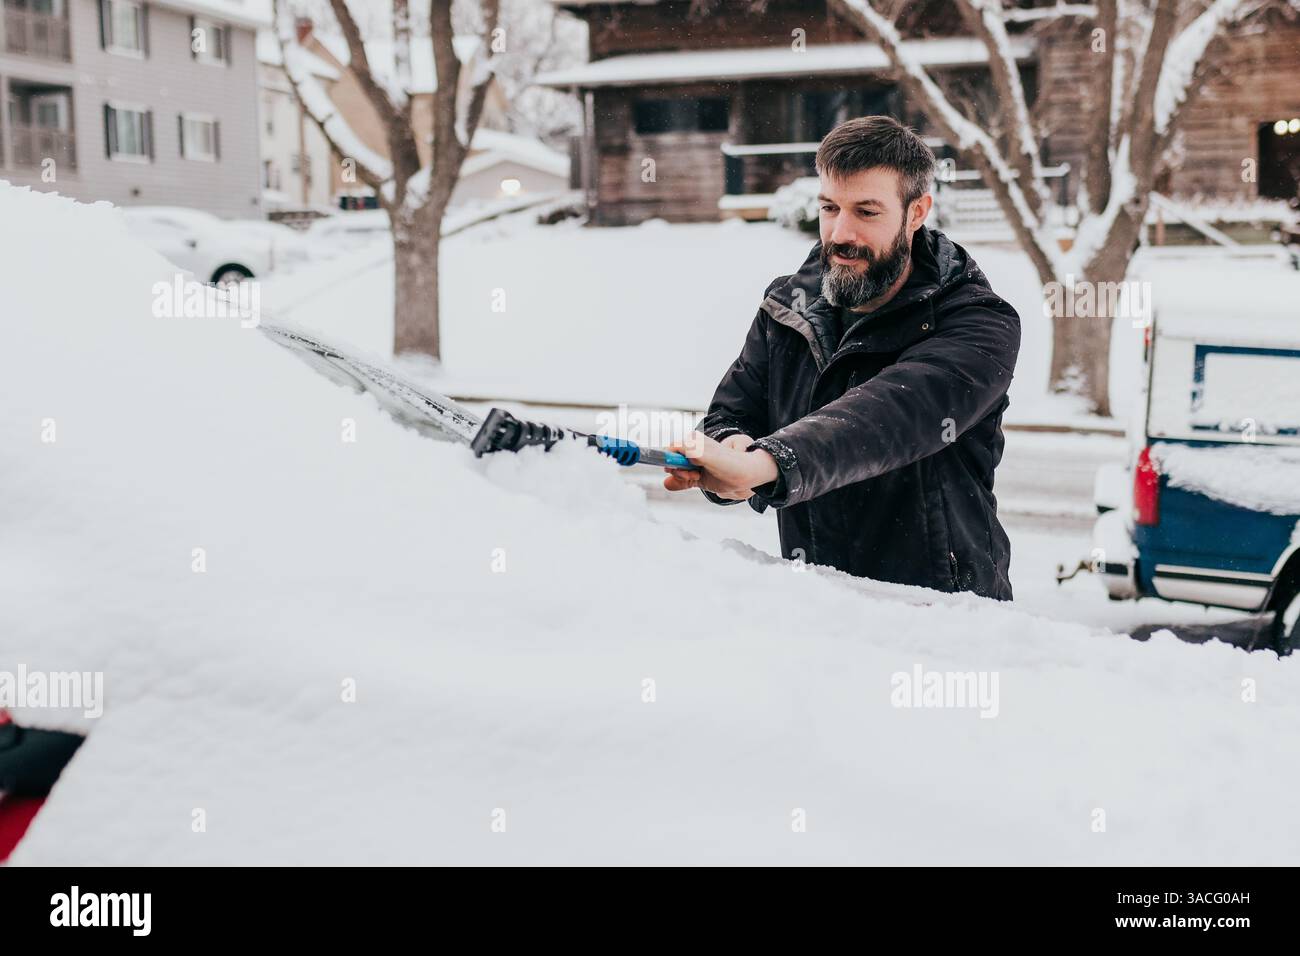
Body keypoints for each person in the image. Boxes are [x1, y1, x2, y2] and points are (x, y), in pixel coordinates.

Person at [664, 116, 1021, 600]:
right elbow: (730, 412)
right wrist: (732, 454)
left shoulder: (979, 323)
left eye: (867, 212)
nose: (840, 232)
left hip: (942, 617)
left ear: (917, 212)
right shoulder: (786, 308)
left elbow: (894, 413)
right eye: (830, 207)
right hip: (821, 609)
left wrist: (771, 462)